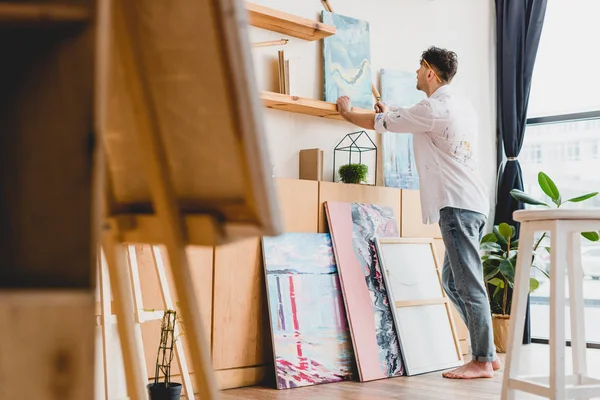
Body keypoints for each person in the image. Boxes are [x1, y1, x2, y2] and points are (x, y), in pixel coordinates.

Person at [335, 45, 501, 379]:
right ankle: (488, 354)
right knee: (453, 281)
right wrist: (392, 112)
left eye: (418, 67)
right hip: (470, 204)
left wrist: (347, 113)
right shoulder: (458, 105)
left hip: (456, 205)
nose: (415, 73)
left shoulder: (434, 108)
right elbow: (410, 119)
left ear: (429, 70)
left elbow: (390, 122)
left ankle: (482, 359)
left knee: (467, 285)